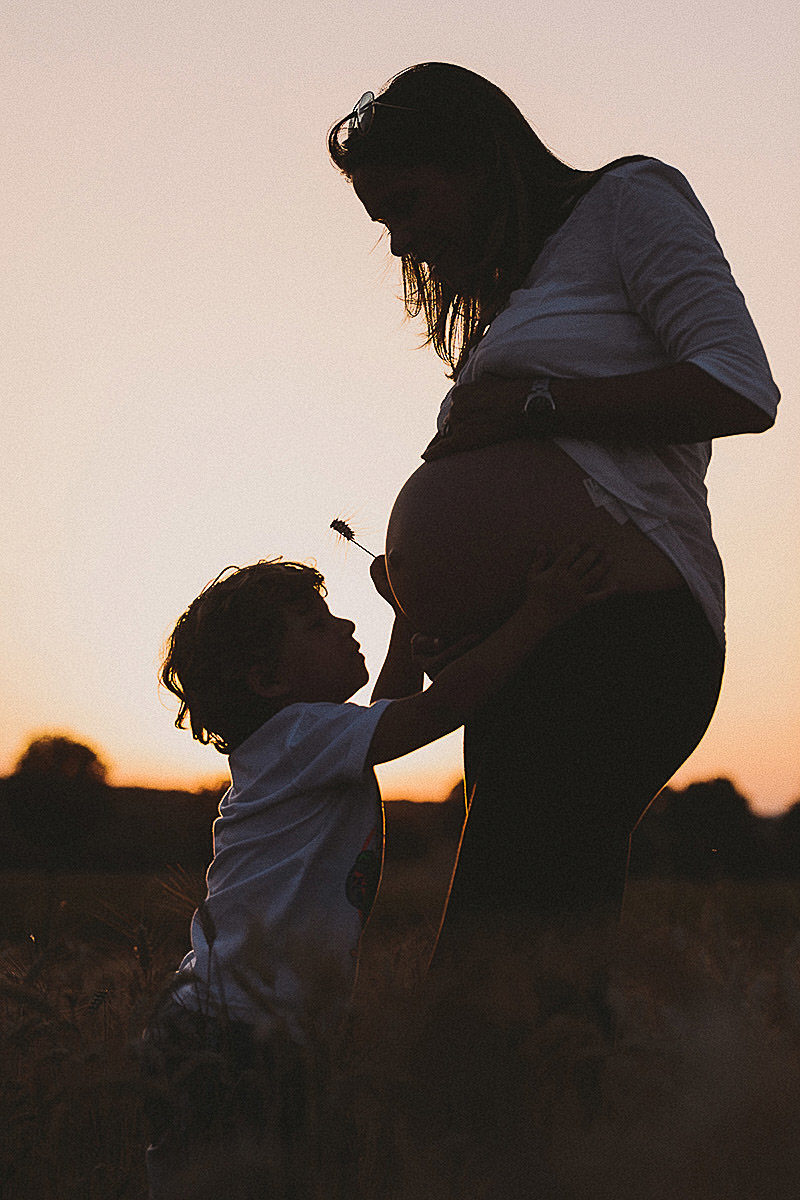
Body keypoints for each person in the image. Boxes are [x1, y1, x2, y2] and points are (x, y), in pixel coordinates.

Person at [328, 63, 781, 957]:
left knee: (505, 947)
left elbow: (740, 387)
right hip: (529, 653)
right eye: (384, 222)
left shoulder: (630, 201)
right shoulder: (517, 303)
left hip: (621, 635)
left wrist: (536, 404)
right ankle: (577, 1095)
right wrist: (440, 611)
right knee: (532, 943)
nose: (399, 243)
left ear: (479, 159)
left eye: (410, 204)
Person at [141, 548, 609, 1199]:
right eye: (316, 625)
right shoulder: (301, 736)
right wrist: (537, 616)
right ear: (267, 680)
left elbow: (385, 707)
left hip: (225, 1019)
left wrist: (399, 623)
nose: (344, 628)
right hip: (243, 1030)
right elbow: (435, 711)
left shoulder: (297, 742)